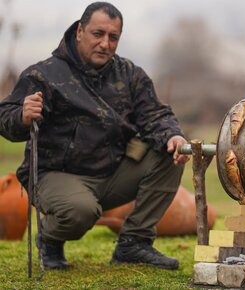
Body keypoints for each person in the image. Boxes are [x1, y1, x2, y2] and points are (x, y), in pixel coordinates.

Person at [0, 2, 190, 270]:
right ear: (80, 31)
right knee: (81, 211)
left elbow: (156, 116)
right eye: (97, 34)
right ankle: (49, 237)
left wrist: (173, 135)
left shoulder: (130, 75)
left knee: (173, 153)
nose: (105, 43)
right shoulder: (43, 74)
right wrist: (22, 115)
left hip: (110, 174)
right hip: (55, 175)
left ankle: (133, 243)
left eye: (113, 37)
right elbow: (4, 117)